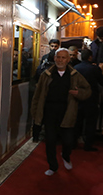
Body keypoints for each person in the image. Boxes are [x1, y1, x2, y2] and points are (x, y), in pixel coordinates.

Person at [31, 48, 91, 176]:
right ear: (54, 58)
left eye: (63, 58)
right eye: (58, 57)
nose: (60, 60)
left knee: (68, 141)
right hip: (49, 112)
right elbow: (37, 95)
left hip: (67, 112)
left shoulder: (75, 75)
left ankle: (66, 155)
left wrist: (78, 93)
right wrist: (35, 113)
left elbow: (87, 90)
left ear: (68, 60)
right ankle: (53, 166)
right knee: (50, 141)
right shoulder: (46, 75)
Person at [74, 49, 103, 151]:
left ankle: (73, 143)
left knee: (77, 122)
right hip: (91, 98)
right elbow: (102, 82)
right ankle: (88, 145)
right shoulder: (94, 69)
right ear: (90, 57)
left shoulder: (76, 68)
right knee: (90, 123)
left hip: (78, 98)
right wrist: (102, 70)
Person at [32, 39, 60, 141]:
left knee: (40, 117)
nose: (53, 48)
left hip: (48, 96)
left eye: (55, 46)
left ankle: (37, 136)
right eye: (52, 46)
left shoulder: (45, 67)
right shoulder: (45, 65)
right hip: (47, 96)